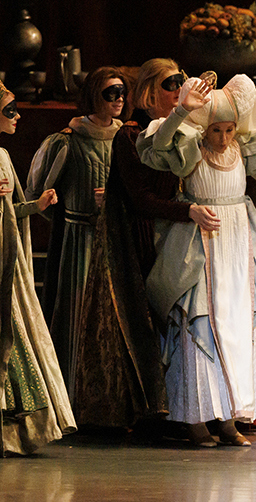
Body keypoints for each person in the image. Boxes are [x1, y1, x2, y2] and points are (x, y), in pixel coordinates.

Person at [137, 75, 256, 447]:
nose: (223, 138)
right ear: (204, 127)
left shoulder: (241, 149)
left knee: (238, 330)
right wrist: (181, 111)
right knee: (200, 325)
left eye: (229, 129)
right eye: (216, 130)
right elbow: (158, 145)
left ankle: (229, 417)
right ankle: (195, 418)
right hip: (202, 245)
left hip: (236, 243)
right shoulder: (190, 148)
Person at [26, 66, 128, 399]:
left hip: (113, 239)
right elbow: (41, 194)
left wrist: (113, 203)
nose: (118, 99)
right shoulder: (68, 141)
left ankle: (108, 398)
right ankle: (70, 395)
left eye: (122, 92)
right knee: (76, 314)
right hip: (79, 239)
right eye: (110, 93)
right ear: (93, 96)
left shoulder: (127, 138)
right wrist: (69, 214)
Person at [0, 80, 77, 455]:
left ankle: (12, 432)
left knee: (13, 338)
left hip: (5, 262)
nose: (16, 117)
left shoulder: (2, 157)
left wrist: (38, 205)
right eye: (9, 110)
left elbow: (11, 212)